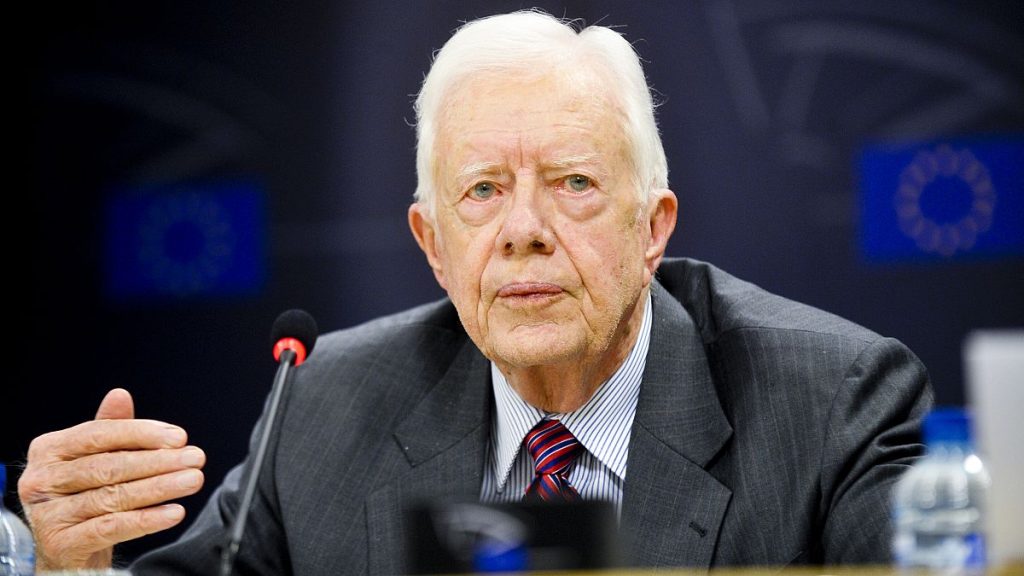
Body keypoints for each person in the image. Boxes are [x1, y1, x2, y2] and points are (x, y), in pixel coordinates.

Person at [18, 10, 933, 573]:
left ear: (653, 228)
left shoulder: (830, 403)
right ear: (434, 247)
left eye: (573, 183)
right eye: (483, 191)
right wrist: (74, 569)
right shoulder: (327, 407)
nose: (524, 228)